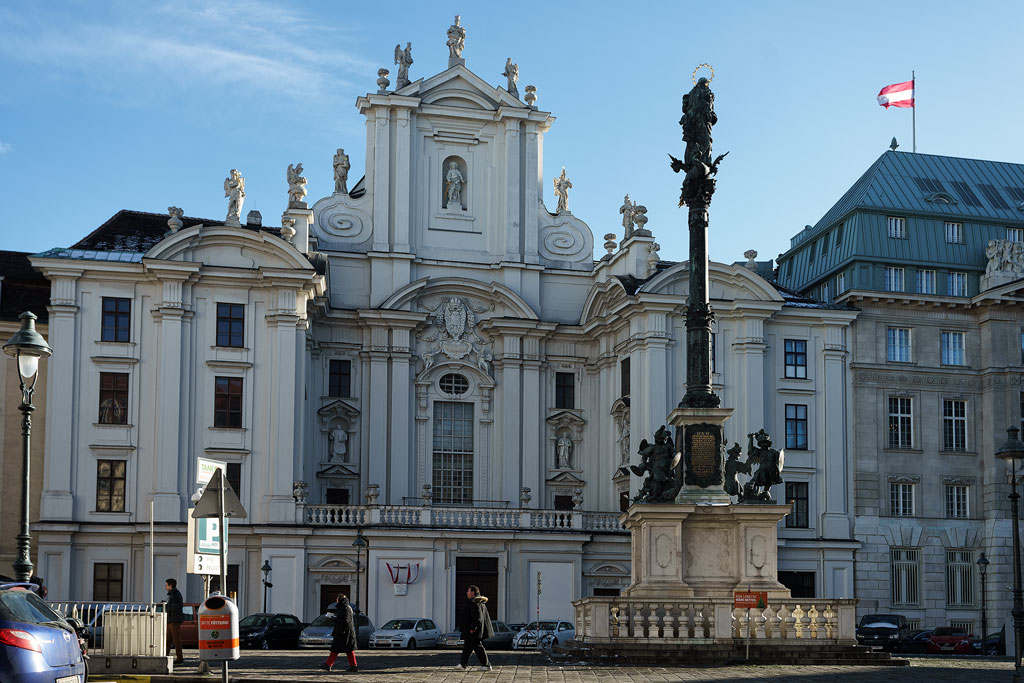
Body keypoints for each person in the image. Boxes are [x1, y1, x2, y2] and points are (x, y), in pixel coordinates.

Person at [456, 585, 493, 671]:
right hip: (471, 630)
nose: (467, 593)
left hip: (473, 631)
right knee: (467, 647)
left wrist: (473, 628)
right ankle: (463, 664)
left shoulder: (475, 602)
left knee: (478, 647)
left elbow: (477, 617)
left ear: (473, 592)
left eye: (468, 591)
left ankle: (486, 665)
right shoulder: (478, 602)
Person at [321, 594, 358, 672]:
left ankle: (328, 665)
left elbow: (345, 620)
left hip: (344, 633)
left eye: (337, 599)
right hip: (345, 633)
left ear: (339, 600)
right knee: (346, 650)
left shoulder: (345, 608)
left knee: (337, 649)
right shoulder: (345, 607)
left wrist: (334, 619)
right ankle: (353, 666)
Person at [165, 578, 184, 664]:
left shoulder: (175, 594)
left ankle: (180, 658)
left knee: (176, 640)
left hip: (174, 620)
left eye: (166, 585)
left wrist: (166, 607)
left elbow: (175, 607)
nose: (165, 587)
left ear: (170, 585)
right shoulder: (173, 594)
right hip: (171, 619)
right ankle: (165, 655)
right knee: (168, 639)